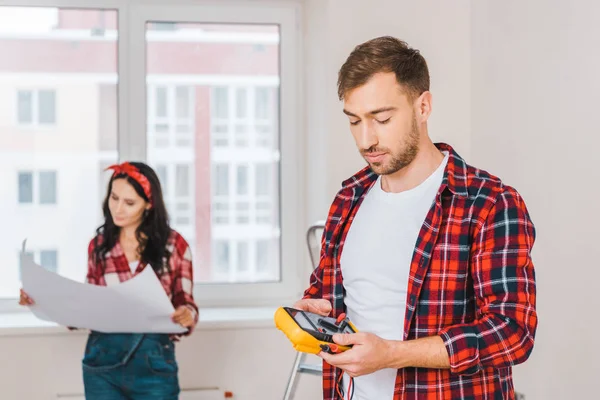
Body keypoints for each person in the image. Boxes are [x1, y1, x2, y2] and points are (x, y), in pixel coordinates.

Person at [294, 36, 537, 400]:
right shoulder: (348, 198)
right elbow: (331, 290)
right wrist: (318, 306)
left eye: (382, 118)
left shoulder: (488, 204)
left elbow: (512, 332)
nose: (366, 140)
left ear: (423, 107)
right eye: (354, 121)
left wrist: (393, 354)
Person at [20, 161, 198, 399]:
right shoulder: (99, 247)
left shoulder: (175, 245)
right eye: (114, 198)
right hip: (102, 362)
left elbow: (185, 302)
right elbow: (87, 307)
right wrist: (40, 301)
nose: (118, 209)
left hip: (154, 364)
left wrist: (186, 314)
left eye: (129, 203)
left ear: (148, 204)